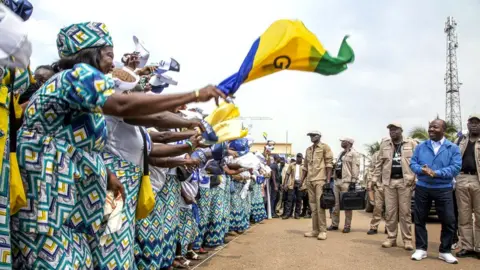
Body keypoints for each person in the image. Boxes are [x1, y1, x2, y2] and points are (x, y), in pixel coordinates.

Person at [11, 21, 226, 269]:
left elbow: (79, 145)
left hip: (72, 208)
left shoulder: (80, 90)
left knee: (84, 260)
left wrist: (107, 175)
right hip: (48, 203)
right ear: (89, 54)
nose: (113, 64)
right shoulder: (72, 79)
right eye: (109, 55)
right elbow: (124, 107)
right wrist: (196, 95)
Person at [410, 119, 462, 264]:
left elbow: (456, 167)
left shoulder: (452, 148)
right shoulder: (421, 146)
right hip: (423, 187)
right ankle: (421, 249)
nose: (431, 129)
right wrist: (421, 169)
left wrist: (436, 173)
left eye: (435, 127)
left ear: (443, 130)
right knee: (419, 218)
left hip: (443, 189)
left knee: (449, 220)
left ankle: (445, 251)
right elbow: (412, 162)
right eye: (430, 127)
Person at [372, 123, 417, 250]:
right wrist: (375, 179)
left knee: (405, 212)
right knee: (390, 212)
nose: (392, 132)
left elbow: (418, 161)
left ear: (401, 131)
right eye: (390, 130)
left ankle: (407, 240)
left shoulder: (411, 144)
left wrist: (416, 178)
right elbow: (379, 163)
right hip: (389, 182)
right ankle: (391, 238)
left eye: (395, 129)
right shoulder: (385, 145)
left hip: (405, 182)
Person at [455, 114, 480, 259]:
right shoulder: (460, 140)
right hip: (462, 178)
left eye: (477, 123)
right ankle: (466, 246)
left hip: (478, 179)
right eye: (471, 123)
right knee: (464, 215)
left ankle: (479, 247)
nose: (474, 125)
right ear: (468, 125)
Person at [302, 131, 334, 240]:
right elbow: (305, 166)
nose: (311, 137)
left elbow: (329, 164)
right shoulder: (308, 149)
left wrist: (328, 181)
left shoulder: (325, 147)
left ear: (319, 136)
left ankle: (323, 231)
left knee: (320, 206)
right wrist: (302, 181)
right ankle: (315, 230)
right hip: (310, 180)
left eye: (314, 135)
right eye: (310, 136)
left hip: (320, 179)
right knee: (313, 206)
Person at [329, 138, 360, 233]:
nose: (341, 143)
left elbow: (355, 168)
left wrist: (353, 181)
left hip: (347, 182)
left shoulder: (354, 154)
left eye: (343, 141)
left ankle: (347, 226)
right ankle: (334, 224)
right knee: (335, 204)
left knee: (347, 205)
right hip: (337, 181)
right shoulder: (341, 154)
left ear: (349, 143)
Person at [367, 150, 385, 235]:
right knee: (377, 207)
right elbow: (371, 169)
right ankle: (374, 227)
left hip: (392, 185)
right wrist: (370, 182)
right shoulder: (376, 154)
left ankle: (389, 228)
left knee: (391, 209)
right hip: (379, 185)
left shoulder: (394, 151)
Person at [283, 153, 304, 219]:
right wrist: (285, 184)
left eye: (300, 157)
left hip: (300, 184)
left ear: (302, 158)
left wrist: (305, 185)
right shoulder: (291, 165)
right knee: (289, 199)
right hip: (292, 183)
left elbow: (306, 176)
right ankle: (287, 214)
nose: (299, 158)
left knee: (299, 200)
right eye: (298, 157)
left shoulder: (304, 166)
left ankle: (297, 214)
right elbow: (287, 174)